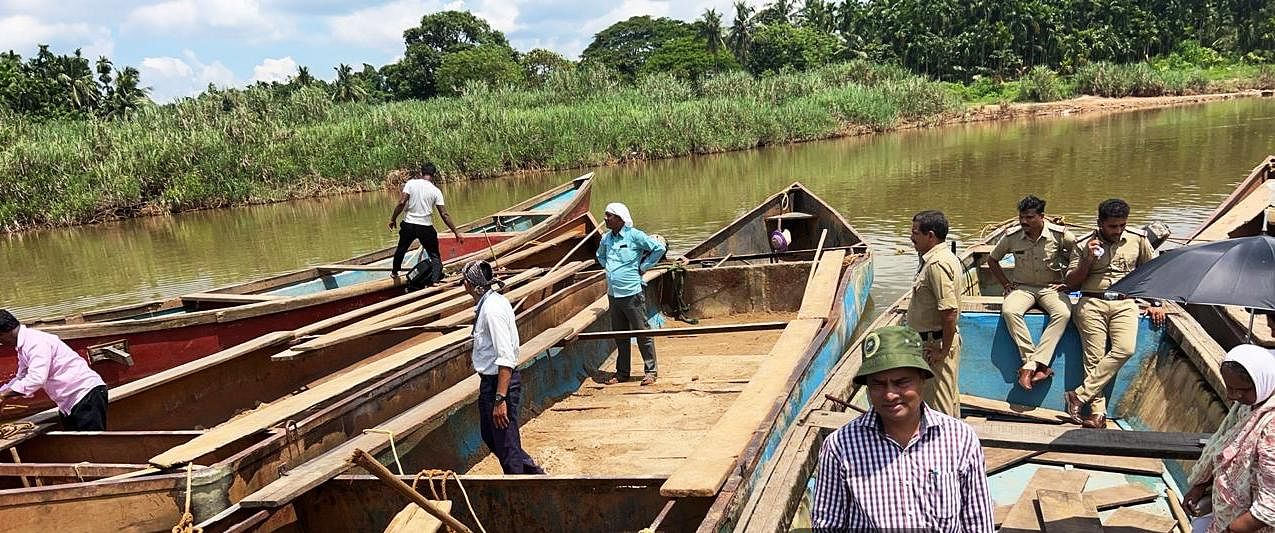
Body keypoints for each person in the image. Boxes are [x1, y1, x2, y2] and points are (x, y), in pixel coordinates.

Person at [811, 325, 994, 532]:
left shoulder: (959, 438)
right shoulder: (839, 447)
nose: (890, 394)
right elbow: (828, 526)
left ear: (922, 379)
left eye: (901, 382)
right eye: (878, 384)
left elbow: (978, 522)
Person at [1063, 199, 1166, 428]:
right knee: (1094, 359)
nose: (1118, 231)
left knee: (1125, 349)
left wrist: (1156, 302)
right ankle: (1098, 415)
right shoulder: (1082, 245)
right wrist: (1087, 261)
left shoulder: (1138, 239)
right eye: (1112, 226)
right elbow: (1071, 284)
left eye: (1121, 225)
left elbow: (1151, 272)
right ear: (1100, 223)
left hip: (1125, 302)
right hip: (1091, 302)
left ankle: (1078, 396)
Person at [986, 195, 1076, 390]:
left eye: (1029, 217)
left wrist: (1068, 282)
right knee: (1010, 311)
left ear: (1041, 217)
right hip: (1022, 287)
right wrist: (1005, 284)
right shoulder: (1012, 237)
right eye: (1021, 217)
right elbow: (992, 260)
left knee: (1063, 313)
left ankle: (1032, 365)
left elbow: (1078, 256)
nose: (1024, 221)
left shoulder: (1061, 236)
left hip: (1051, 287)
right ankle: (1032, 363)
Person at [1182, 344, 1275, 533]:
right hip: (1228, 516)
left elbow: (1270, 503)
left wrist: (1231, 530)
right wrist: (1200, 485)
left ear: (1264, 381)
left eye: (1241, 390)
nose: (1232, 396)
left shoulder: (1271, 427)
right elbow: (1222, 444)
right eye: (1230, 388)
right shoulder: (1250, 405)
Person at [462, 260, 544, 474]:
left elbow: (506, 357)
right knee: (491, 436)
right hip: (490, 383)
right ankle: (533, 474)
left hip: (499, 383)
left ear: (469, 285)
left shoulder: (491, 311)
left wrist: (500, 399)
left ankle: (519, 487)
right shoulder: (493, 303)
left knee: (506, 445)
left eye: (465, 281)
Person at [0, 310, 108, 430]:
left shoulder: (35, 342)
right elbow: (23, 376)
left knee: (92, 444)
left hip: (85, 393)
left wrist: (4, 395)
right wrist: (2, 392)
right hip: (69, 401)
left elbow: (36, 379)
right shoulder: (24, 345)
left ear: (3, 333)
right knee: (77, 444)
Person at [597, 202, 666, 386]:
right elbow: (600, 256)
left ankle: (650, 371)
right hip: (613, 295)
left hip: (632, 293)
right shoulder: (606, 239)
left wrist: (643, 266)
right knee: (620, 335)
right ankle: (622, 373)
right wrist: (610, 269)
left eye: (609, 215)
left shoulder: (634, 236)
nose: (605, 218)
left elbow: (658, 248)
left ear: (619, 219)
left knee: (642, 332)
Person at [908, 210, 964, 417]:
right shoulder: (939, 257)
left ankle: (947, 447)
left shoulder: (937, 264)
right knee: (946, 399)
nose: (911, 237)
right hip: (934, 342)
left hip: (935, 345)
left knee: (939, 409)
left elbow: (948, 312)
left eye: (915, 233)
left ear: (930, 235)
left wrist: (943, 351)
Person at [388, 162, 463, 278]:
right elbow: (444, 214)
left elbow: (401, 202)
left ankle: (394, 272)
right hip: (425, 226)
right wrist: (456, 232)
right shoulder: (436, 191)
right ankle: (435, 280)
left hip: (409, 224)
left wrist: (393, 219)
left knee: (401, 248)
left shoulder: (411, 184)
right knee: (434, 255)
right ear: (434, 175)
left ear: (421, 173)